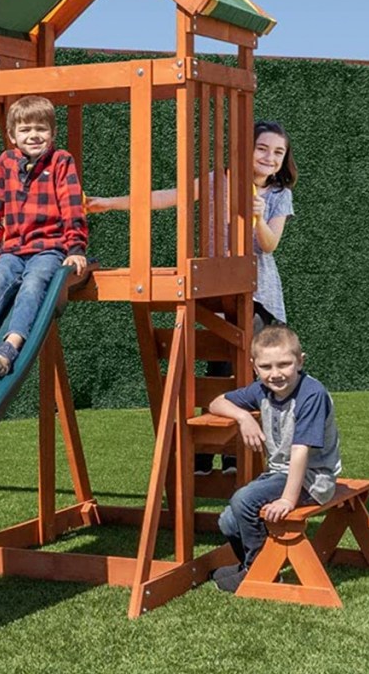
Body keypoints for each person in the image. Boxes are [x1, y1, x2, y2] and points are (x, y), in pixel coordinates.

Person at [87, 120, 297, 474]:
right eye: (263, 148)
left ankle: (228, 456)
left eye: (278, 152)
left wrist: (257, 217)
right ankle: (211, 455)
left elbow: (269, 244)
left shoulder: (278, 195)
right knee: (218, 369)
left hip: (258, 293)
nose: (270, 157)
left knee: (238, 369)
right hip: (217, 288)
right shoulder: (220, 181)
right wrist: (110, 203)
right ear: (247, 149)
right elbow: (168, 196)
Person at [0, 95, 88, 377]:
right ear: (12, 135)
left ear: (52, 133)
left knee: (34, 285)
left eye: (41, 129)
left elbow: (72, 206)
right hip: (11, 250)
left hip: (48, 249)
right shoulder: (6, 162)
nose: (33, 135)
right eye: (25, 130)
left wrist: (75, 248)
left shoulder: (61, 161)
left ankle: (10, 346)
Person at [207, 324, 340, 593]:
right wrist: (244, 417)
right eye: (266, 367)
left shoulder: (311, 395)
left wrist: (288, 499)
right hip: (278, 474)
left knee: (243, 499)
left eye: (284, 364)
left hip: (311, 479)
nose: (276, 374)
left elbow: (301, 451)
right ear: (255, 367)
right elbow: (216, 402)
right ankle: (252, 565)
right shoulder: (261, 390)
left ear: (300, 361)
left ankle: (261, 571)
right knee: (228, 521)